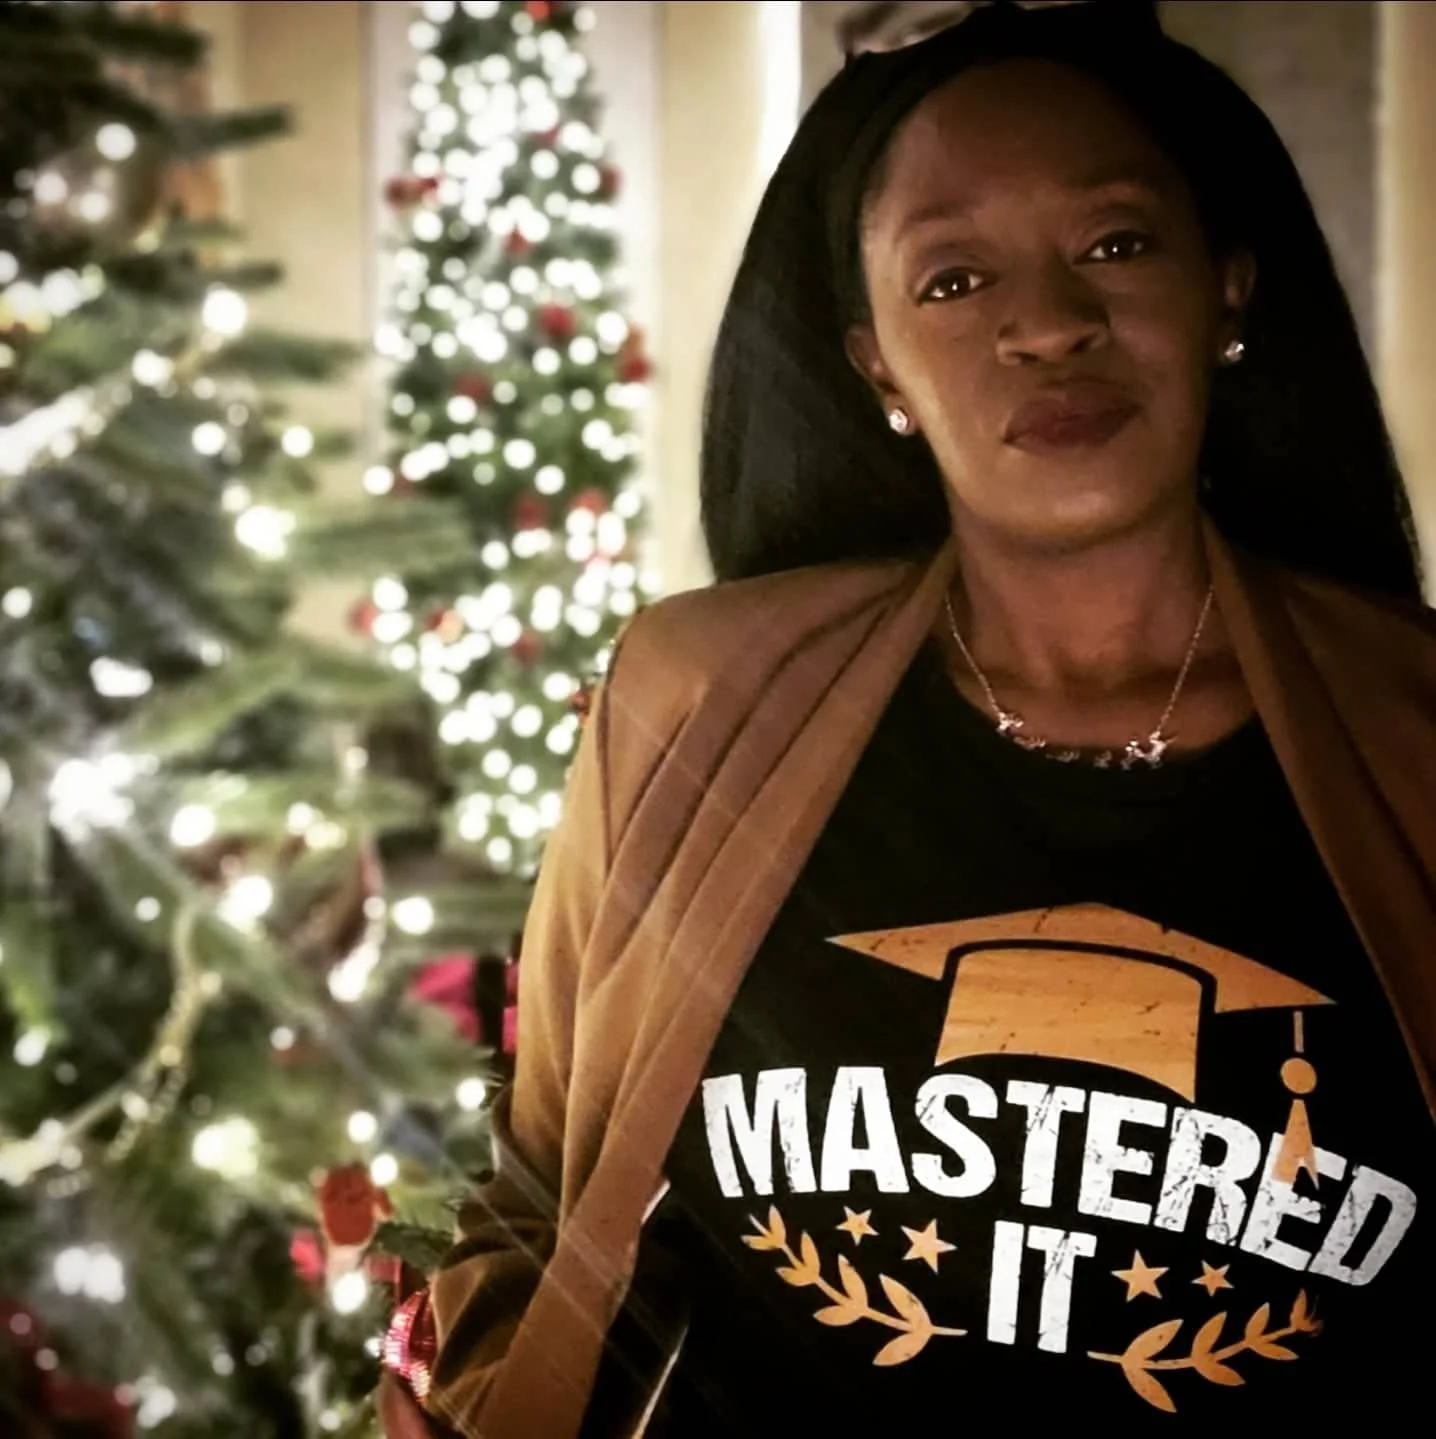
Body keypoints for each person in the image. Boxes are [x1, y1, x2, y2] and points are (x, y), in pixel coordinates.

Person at [381, 3, 1436, 1435]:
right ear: (873, 361)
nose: (1051, 321)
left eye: (1118, 244)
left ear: (1230, 293)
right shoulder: (688, 704)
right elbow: (541, 1194)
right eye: (952, 278)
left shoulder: (1412, 738)